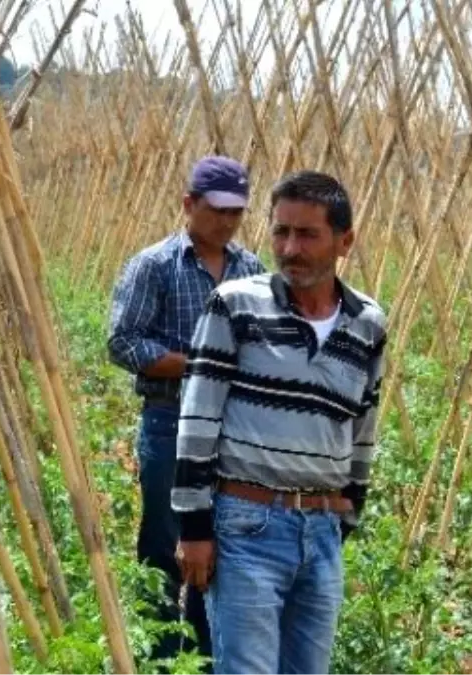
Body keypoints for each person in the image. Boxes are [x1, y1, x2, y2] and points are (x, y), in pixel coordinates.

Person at [171, 170, 387, 674]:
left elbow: (363, 426)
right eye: (281, 232)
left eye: (307, 234)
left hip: (320, 533)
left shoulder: (367, 323)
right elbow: (198, 416)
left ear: (344, 241)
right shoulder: (236, 305)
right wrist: (194, 526)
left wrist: (348, 507)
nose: (290, 248)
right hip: (245, 526)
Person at [107, 155, 264, 667]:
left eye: (237, 211)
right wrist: (202, 365)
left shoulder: (251, 270)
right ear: (188, 205)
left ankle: (200, 651)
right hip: (169, 420)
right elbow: (123, 341)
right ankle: (158, 652)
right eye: (218, 209)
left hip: (231, 429)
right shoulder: (154, 265)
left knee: (216, 540)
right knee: (163, 541)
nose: (228, 221)